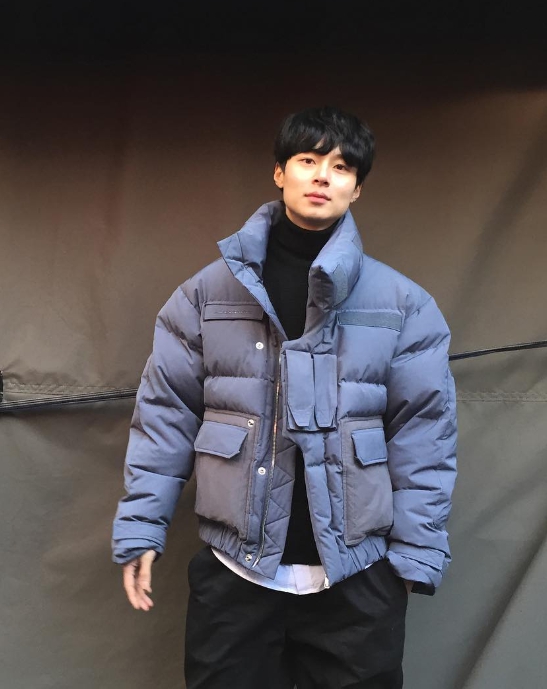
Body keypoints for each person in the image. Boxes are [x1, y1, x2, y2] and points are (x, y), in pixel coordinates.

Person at [112, 106, 457, 689]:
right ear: (279, 172)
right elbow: (164, 417)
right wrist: (142, 528)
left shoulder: (404, 306)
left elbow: (424, 436)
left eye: (341, 167)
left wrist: (414, 556)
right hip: (235, 573)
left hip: (357, 578)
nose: (323, 175)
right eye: (308, 159)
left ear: (357, 188)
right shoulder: (203, 297)